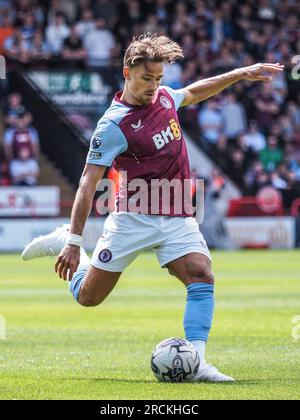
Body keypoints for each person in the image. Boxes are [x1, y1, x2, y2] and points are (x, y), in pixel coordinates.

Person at [21, 34, 284, 383]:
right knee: (88, 297)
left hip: (176, 214)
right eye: (148, 78)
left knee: (202, 275)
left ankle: (196, 363)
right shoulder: (113, 125)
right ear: (127, 72)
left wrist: (239, 73)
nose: (154, 86)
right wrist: (72, 240)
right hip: (132, 218)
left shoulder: (162, 98)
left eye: (159, 78)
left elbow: (192, 92)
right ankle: (66, 246)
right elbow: (88, 181)